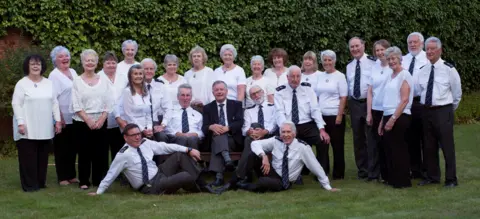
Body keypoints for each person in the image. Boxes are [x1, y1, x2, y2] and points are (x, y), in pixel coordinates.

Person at [88, 123, 219, 195]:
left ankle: (203, 185)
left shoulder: (145, 142)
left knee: (180, 155)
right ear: (125, 138)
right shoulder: (123, 154)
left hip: (159, 172)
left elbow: (165, 147)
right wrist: (99, 192)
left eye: (138, 134)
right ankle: (198, 191)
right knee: (184, 176)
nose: (137, 137)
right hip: (150, 186)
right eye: (133, 135)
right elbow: (111, 173)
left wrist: (189, 149)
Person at [223, 121, 338, 193]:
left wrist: (327, 186)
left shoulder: (303, 147)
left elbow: (315, 166)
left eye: (288, 132)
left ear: (294, 133)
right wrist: (263, 156)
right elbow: (254, 144)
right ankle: (233, 182)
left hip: (283, 181)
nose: (286, 135)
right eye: (283, 132)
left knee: (263, 182)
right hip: (271, 171)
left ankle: (242, 186)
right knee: (253, 155)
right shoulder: (276, 140)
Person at [416, 37, 462, 188]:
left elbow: (456, 94)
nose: (429, 52)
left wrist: (448, 110)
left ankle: (451, 179)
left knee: (447, 146)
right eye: (427, 49)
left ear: (440, 50)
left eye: (432, 49)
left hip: (443, 111)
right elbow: (421, 91)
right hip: (426, 111)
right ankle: (432, 176)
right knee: (429, 146)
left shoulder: (449, 69)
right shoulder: (423, 70)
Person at [12, 54, 62, 192]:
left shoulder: (49, 83)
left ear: (42, 66)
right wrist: (20, 123)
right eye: (32, 64)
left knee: (42, 157)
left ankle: (40, 183)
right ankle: (29, 185)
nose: (35, 66)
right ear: (27, 66)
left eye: (38, 64)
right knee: (28, 158)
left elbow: (54, 103)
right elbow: (16, 104)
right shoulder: (22, 84)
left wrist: (57, 120)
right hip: (27, 128)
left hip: (45, 127)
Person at [275, 65, 330, 175]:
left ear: (301, 77)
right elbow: (279, 112)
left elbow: (315, 110)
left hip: (307, 125)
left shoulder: (308, 89)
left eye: (298, 76)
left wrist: (322, 129)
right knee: (282, 142)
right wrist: (285, 130)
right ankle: (290, 171)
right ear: (287, 77)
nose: (295, 79)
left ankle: (322, 172)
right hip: (289, 125)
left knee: (323, 140)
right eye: (292, 76)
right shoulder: (280, 92)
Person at [71, 49, 114, 190]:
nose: (90, 63)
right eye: (87, 60)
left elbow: (109, 101)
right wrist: (88, 120)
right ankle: (83, 180)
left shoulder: (104, 80)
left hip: (101, 120)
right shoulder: (77, 81)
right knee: (84, 152)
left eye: (92, 60)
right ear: (82, 63)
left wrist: (101, 119)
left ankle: (98, 180)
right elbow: (76, 104)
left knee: (100, 152)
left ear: (96, 63)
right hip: (82, 121)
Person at [377, 46, 414, 188]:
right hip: (387, 114)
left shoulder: (405, 75)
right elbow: (387, 100)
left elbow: (404, 100)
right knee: (390, 149)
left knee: (399, 149)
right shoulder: (390, 76)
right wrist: (382, 121)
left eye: (393, 58)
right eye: (389, 59)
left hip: (400, 116)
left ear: (400, 59)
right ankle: (393, 179)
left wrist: (393, 119)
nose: (391, 61)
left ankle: (403, 181)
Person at [202, 80, 244, 186]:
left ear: (226, 91)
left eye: (221, 89)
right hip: (214, 140)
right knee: (218, 136)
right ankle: (227, 160)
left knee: (218, 137)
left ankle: (219, 177)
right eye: (216, 90)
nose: (219, 92)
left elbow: (240, 122)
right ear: (213, 92)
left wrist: (228, 128)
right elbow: (204, 127)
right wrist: (211, 127)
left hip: (232, 140)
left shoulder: (236, 105)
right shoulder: (207, 108)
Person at [346, 37, 377, 179]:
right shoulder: (349, 66)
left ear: (363, 46)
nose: (355, 49)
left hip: (369, 103)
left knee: (371, 137)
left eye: (357, 46)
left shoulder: (373, 62)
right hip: (355, 104)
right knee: (358, 138)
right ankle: (362, 170)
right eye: (352, 47)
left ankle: (373, 169)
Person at [48, 46, 79, 186]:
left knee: (73, 147)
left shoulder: (73, 71)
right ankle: (62, 177)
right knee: (61, 148)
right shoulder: (54, 75)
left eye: (66, 56)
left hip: (75, 116)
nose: (65, 59)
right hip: (62, 117)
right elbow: (53, 98)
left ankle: (72, 175)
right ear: (55, 60)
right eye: (61, 57)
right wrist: (58, 119)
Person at [315, 50, 348, 179]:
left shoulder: (340, 76)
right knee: (322, 146)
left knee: (337, 145)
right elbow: (317, 96)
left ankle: (338, 174)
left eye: (329, 60)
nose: (327, 62)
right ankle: (323, 171)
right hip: (322, 116)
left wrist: (339, 115)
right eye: (325, 60)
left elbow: (343, 97)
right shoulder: (320, 76)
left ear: (334, 61)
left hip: (335, 115)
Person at [402, 32, 429, 179]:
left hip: (421, 102)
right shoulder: (403, 60)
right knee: (410, 138)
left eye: (415, 42)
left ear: (422, 43)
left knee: (426, 138)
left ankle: (428, 170)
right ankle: (415, 169)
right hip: (406, 103)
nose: (412, 45)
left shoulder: (427, 58)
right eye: (410, 42)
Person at [236, 85, 277, 182]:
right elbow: (244, 128)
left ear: (263, 92)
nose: (256, 95)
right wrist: (249, 131)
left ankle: (241, 176)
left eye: (258, 92)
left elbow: (275, 124)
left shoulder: (273, 107)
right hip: (253, 137)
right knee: (249, 138)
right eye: (253, 94)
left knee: (250, 139)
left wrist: (265, 131)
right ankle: (245, 175)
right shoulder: (248, 111)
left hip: (269, 136)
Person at [366, 40, 392, 182]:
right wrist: (369, 113)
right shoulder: (374, 67)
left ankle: (387, 173)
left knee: (386, 143)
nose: (380, 53)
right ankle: (374, 174)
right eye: (377, 50)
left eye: (382, 50)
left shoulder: (393, 67)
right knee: (374, 143)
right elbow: (370, 91)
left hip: (387, 110)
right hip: (375, 109)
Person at [97, 51, 128, 161]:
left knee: (119, 148)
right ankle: (103, 173)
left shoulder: (123, 77)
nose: (111, 65)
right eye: (108, 63)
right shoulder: (98, 77)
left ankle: (119, 173)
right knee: (102, 148)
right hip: (103, 119)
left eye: (113, 62)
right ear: (103, 64)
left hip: (120, 119)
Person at [140, 58, 173, 144]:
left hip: (155, 122)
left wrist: (163, 125)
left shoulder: (161, 86)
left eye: (151, 69)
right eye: (146, 69)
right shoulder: (135, 86)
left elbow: (168, 107)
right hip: (140, 122)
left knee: (162, 138)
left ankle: (162, 158)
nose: (149, 71)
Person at [164, 84, 204, 149]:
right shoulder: (170, 112)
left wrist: (196, 134)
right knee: (181, 138)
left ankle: (191, 159)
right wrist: (176, 133)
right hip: (176, 138)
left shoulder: (198, 115)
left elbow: (202, 131)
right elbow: (166, 128)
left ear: (191, 97)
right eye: (182, 95)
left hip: (193, 139)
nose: (185, 98)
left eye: (187, 95)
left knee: (192, 139)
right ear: (177, 97)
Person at [121, 65, 153, 138]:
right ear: (130, 76)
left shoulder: (146, 91)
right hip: (134, 131)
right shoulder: (127, 91)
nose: (138, 76)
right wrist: (141, 130)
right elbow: (128, 115)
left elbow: (148, 113)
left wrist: (149, 128)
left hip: (147, 130)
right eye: (135, 74)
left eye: (140, 74)